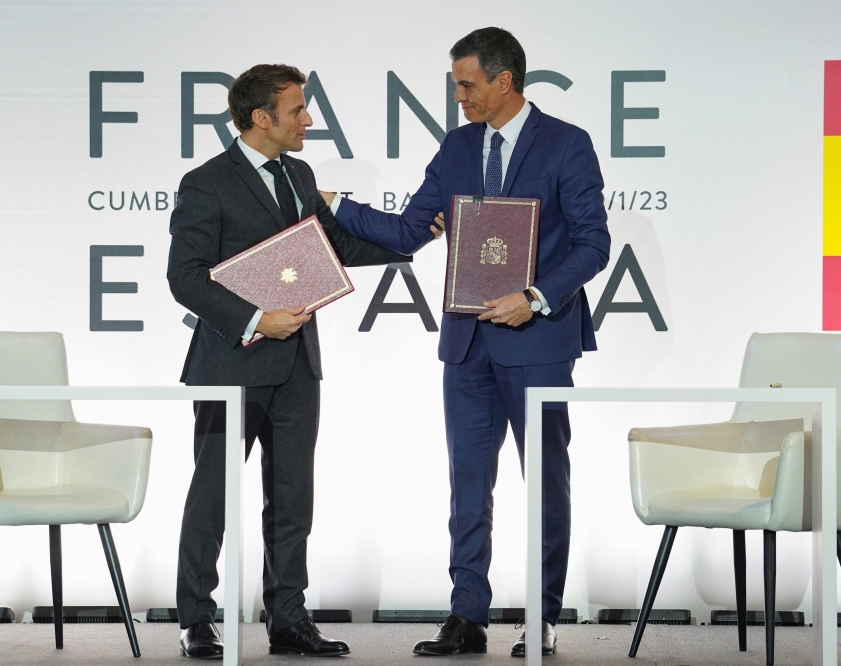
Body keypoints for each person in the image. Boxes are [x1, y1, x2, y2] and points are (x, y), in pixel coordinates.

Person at [319, 27, 610, 657]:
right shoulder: (454, 148)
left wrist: (533, 296)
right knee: (467, 487)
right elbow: (406, 231)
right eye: (456, 85)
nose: (458, 97)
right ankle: (466, 616)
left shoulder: (567, 144)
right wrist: (335, 204)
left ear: (504, 82)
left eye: (467, 85)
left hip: (537, 340)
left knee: (546, 483)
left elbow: (593, 244)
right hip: (467, 346)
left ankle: (544, 618)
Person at [167, 63, 409, 659]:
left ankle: (288, 620)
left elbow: (335, 246)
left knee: (292, 496)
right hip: (231, 363)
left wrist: (413, 237)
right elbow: (185, 278)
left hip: (298, 364)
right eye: (297, 110)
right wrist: (255, 319)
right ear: (260, 118)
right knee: (214, 495)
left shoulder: (299, 175)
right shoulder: (205, 183)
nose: (308, 120)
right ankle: (196, 617)